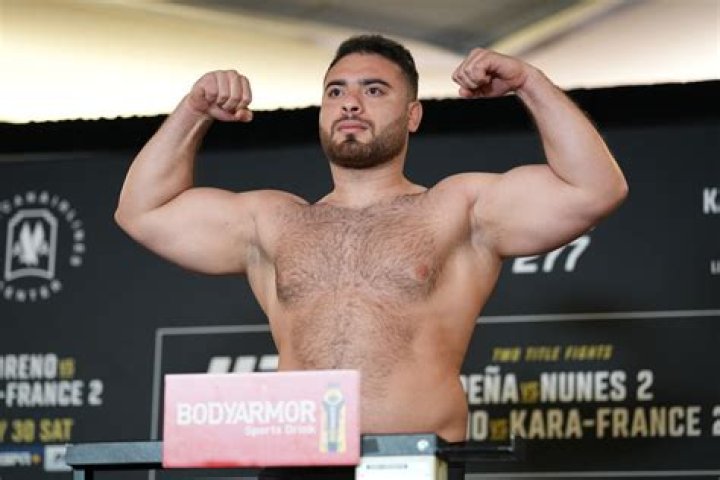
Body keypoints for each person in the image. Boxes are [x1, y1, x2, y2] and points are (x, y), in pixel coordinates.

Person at [115, 34, 627, 476]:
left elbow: (593, 189)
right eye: (335, 91)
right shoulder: (271, 220)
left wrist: (529, 83)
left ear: (413, 115)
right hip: (296, 462)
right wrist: (193, 111)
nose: (351, 104)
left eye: (374, 90)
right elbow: (142, 211)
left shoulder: (458, 208)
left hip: (410, 461)